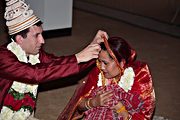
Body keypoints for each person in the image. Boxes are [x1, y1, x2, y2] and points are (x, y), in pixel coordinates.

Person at [0, 0, 108, 120]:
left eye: (42, 34)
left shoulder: (36, 55)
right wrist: (78, 57)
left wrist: (94, 49)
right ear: (20, 39)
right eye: (37, 36)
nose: (42, 41)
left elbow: (61, 66)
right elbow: (34, 74)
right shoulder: (3, 58)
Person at [58, 36, 155, 120]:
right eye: (100, 61)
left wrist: (121, 110)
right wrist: (93, 102)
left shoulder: (139, 77)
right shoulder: (98, 73)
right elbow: (79, 104)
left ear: (121, 63)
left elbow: (144, 114)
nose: (102, 67)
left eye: (106, 63)